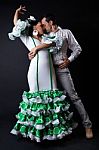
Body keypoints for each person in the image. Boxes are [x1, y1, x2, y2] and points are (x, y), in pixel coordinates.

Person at [8, 6, 75, 142]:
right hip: (36, 72)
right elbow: (17, 25)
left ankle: (53, 133)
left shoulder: (47, 38)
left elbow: (53, 42)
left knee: (52, 100)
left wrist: (37, 47)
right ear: (34, 27)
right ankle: (37, 133)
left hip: (50, 73)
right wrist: (16, 13)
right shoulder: (27, 38)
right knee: (37, 101)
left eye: (43, 25)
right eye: (40, 25)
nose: (43, 26)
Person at [29, 13, 93, 139]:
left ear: (51, 22)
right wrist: (32, 53)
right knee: (48, 101)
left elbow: (77, 48)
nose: (42, 26)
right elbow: (35, 44)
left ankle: (87, 125)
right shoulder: (44, 35)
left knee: (74, 97)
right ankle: (53, 131)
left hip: (61, 70)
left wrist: (68, 60)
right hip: (47, 71)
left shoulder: (66, 33)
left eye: (44, 24)